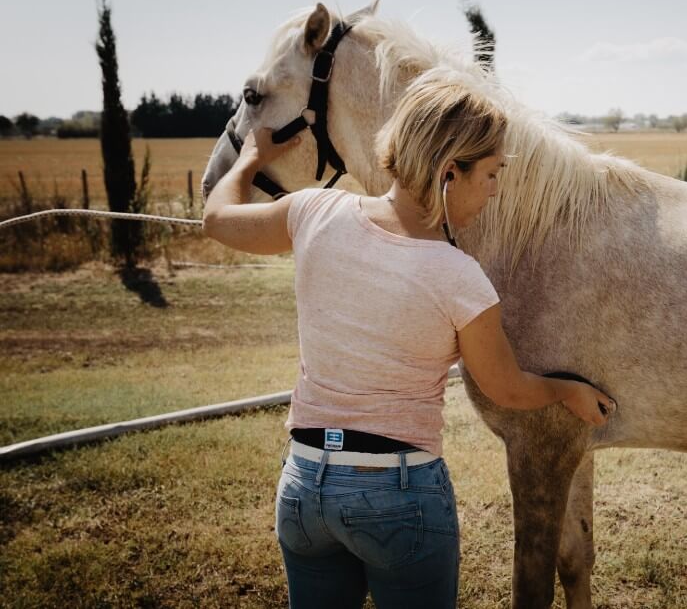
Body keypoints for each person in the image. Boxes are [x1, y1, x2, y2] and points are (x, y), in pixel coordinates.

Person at [203, 79, 612, 608]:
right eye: (489, 174)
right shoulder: (458, 276)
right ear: (448, 174)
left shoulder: (313, 212)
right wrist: (566, 391)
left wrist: (249, 162)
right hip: (396, 495)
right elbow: (507, 389)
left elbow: (216, 220)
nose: (494, 190)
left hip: (304, 486)